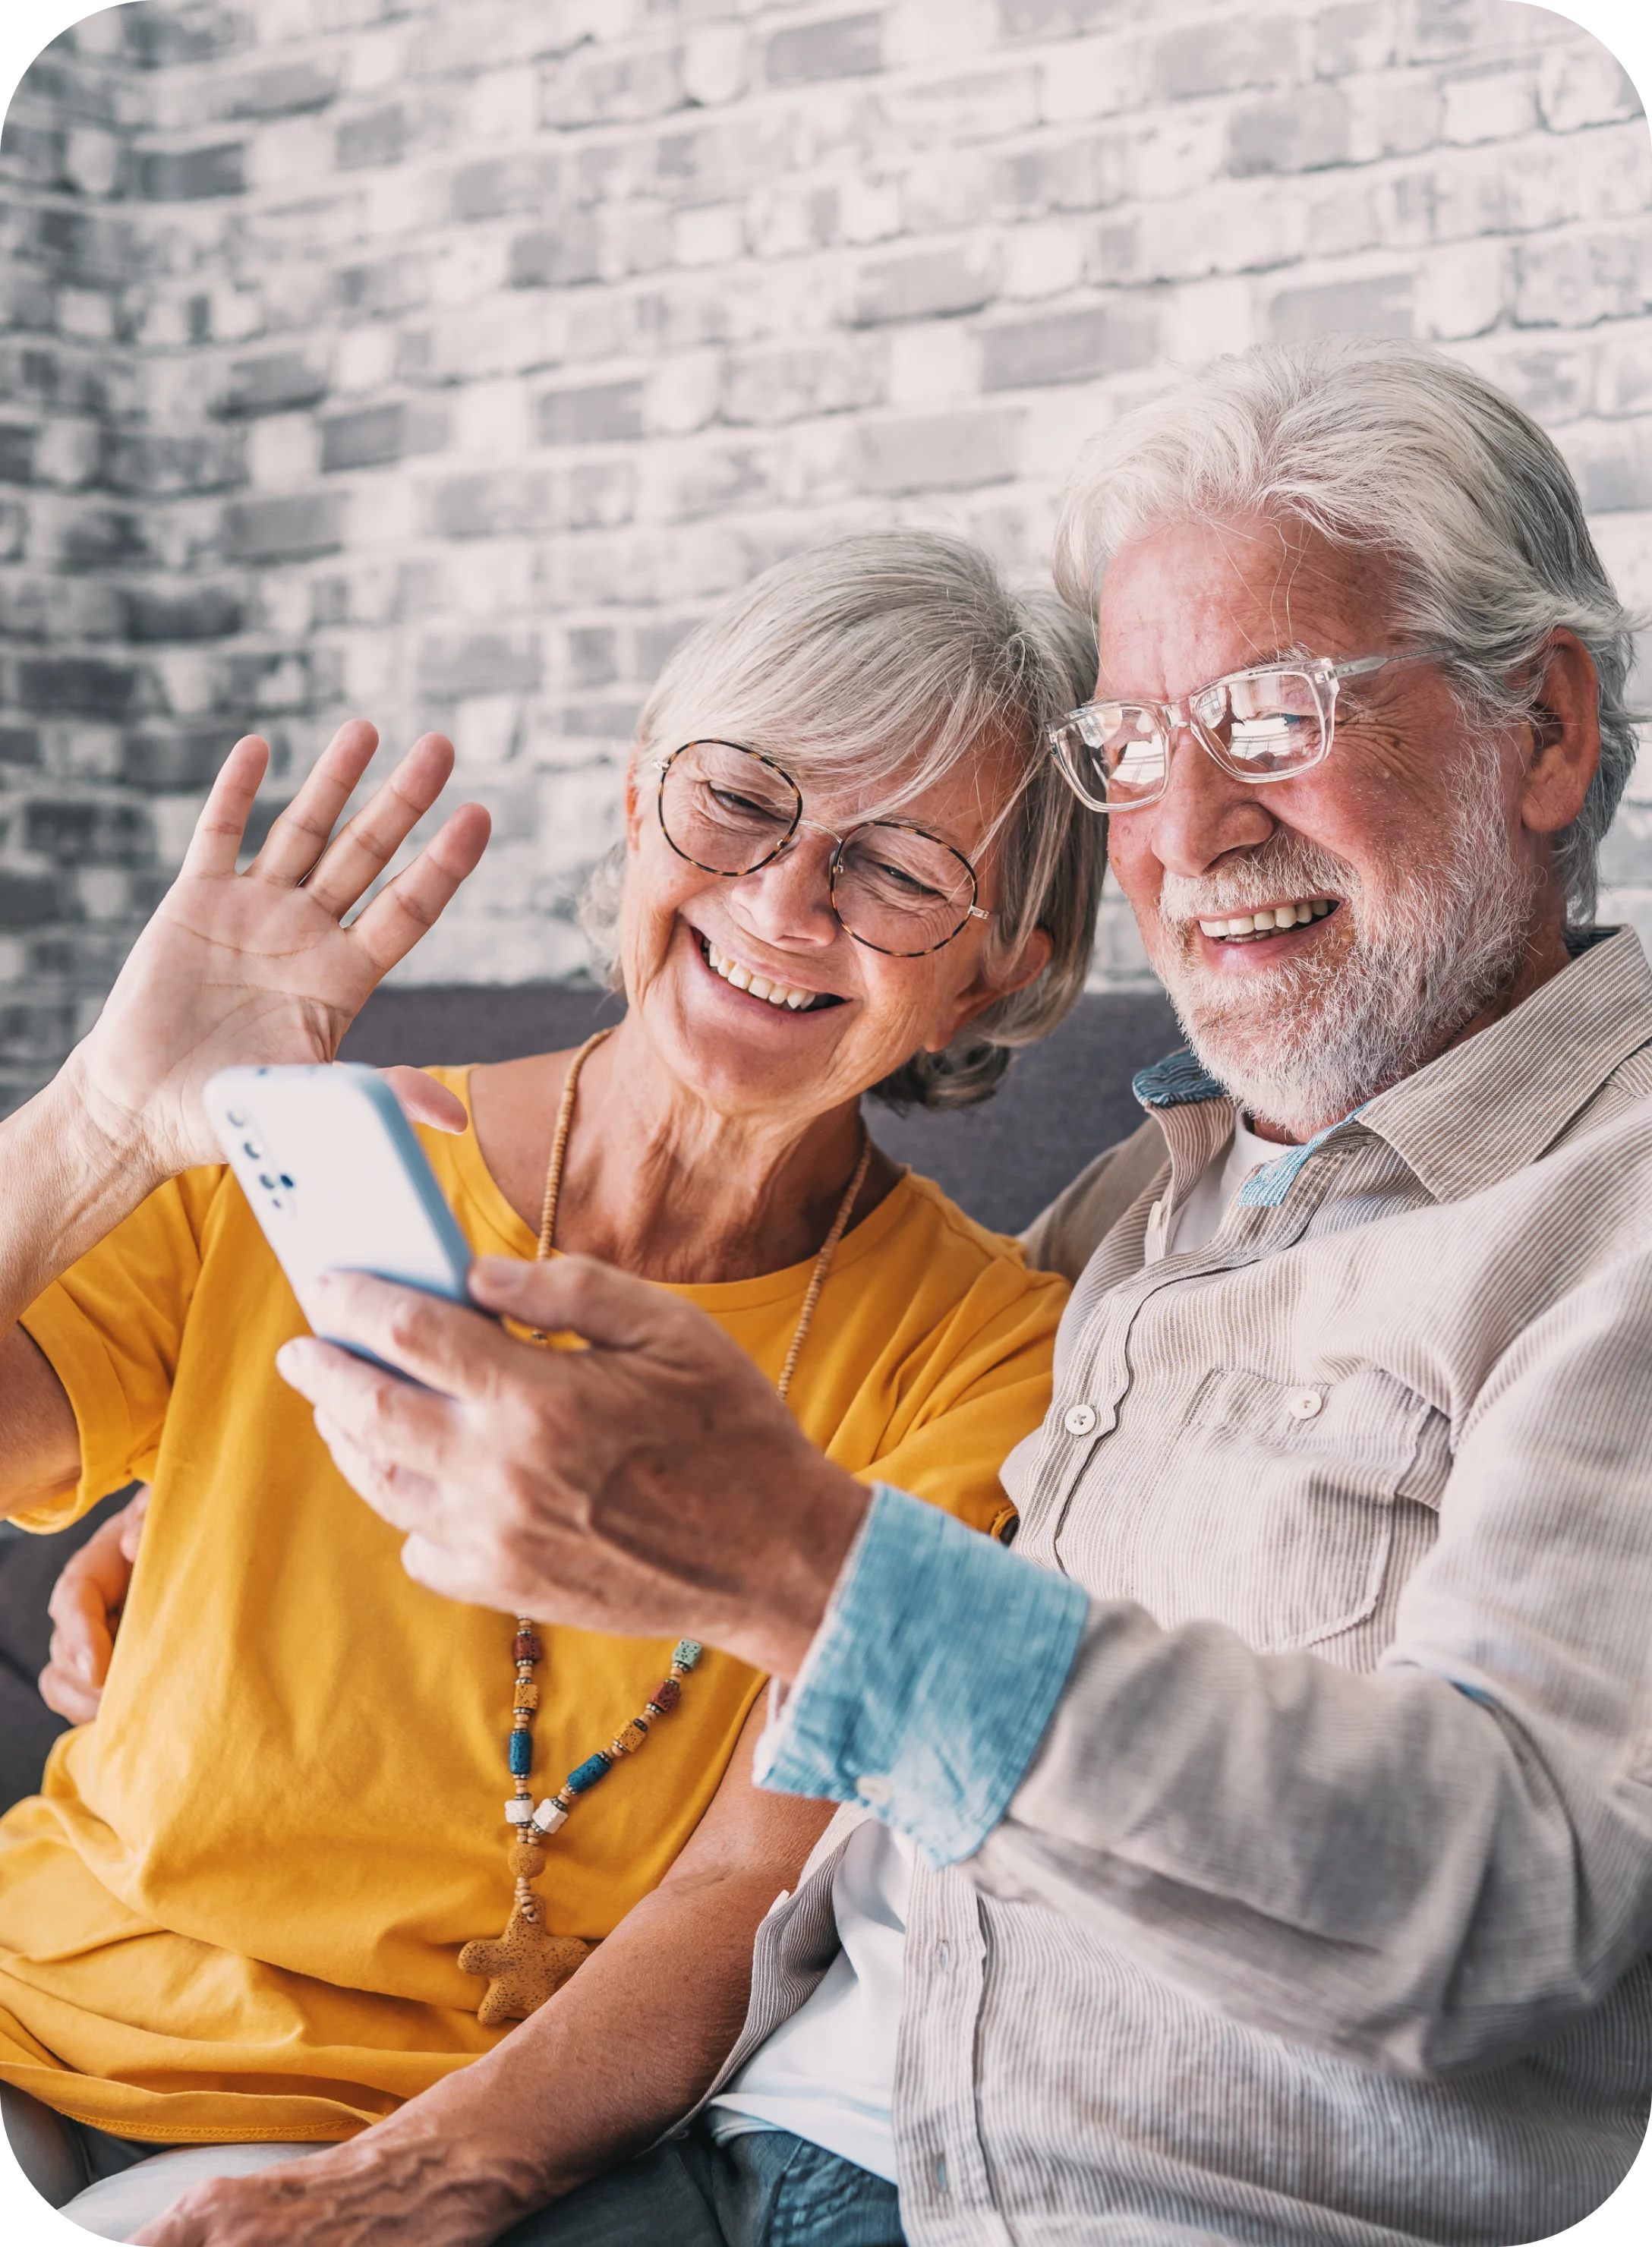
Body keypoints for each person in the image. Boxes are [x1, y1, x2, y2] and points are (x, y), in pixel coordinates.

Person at [260, 339, 1650, 2247]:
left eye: (1269, 719)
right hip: (743, 2125)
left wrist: (808, 1574)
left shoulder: (1608, 1224)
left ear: (1542, 730)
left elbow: (1524, 1905)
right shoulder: (1135, 1208)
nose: (1184, 832)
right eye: (1132, 748)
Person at [0, 532, 1106, 2239]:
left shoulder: (984, 1351)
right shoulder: (301, 1143)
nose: (781, 904)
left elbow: (746, 1885)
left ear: (1007, 964)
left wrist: (400, 2186)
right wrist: (95, 1118)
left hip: (388, 2132)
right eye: (739, 801)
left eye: (897, 870)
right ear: (638, 796)